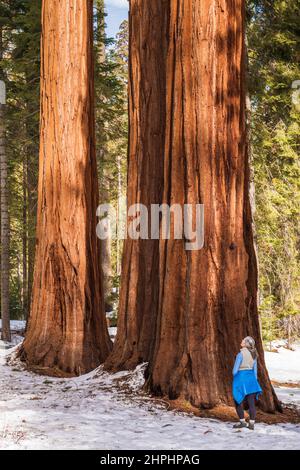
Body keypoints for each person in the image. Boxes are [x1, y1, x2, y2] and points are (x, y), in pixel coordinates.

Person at [232, 336, 262, 430]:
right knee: (251, 402)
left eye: (243, 340)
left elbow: (234, 371)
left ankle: (242, 422)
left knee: (238, 400)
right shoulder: (254, 354)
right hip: (251, 379)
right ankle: (252, 424)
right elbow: (255, 371)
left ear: (246, 344)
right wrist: (253, 379)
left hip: (241, 379)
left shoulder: (240, 354)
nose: (241, 341)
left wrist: (236, 375)